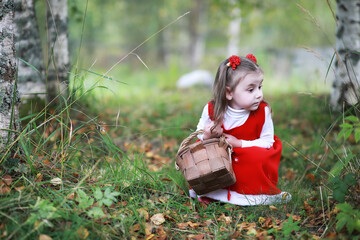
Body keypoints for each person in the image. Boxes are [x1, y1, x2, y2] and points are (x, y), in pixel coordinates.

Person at [190, 54, 291, 206]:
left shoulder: (262, 112)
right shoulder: (212, 109)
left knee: (255, 157)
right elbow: (199, 137)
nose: (259, 94)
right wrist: (208, 133)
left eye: (260, 87)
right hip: (220, 156)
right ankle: (214, 192)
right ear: (228, 93)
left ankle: (254, 194)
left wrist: (240, 144)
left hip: (246, 155)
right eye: (251, 90)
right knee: (202, 156)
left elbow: (268, 142)